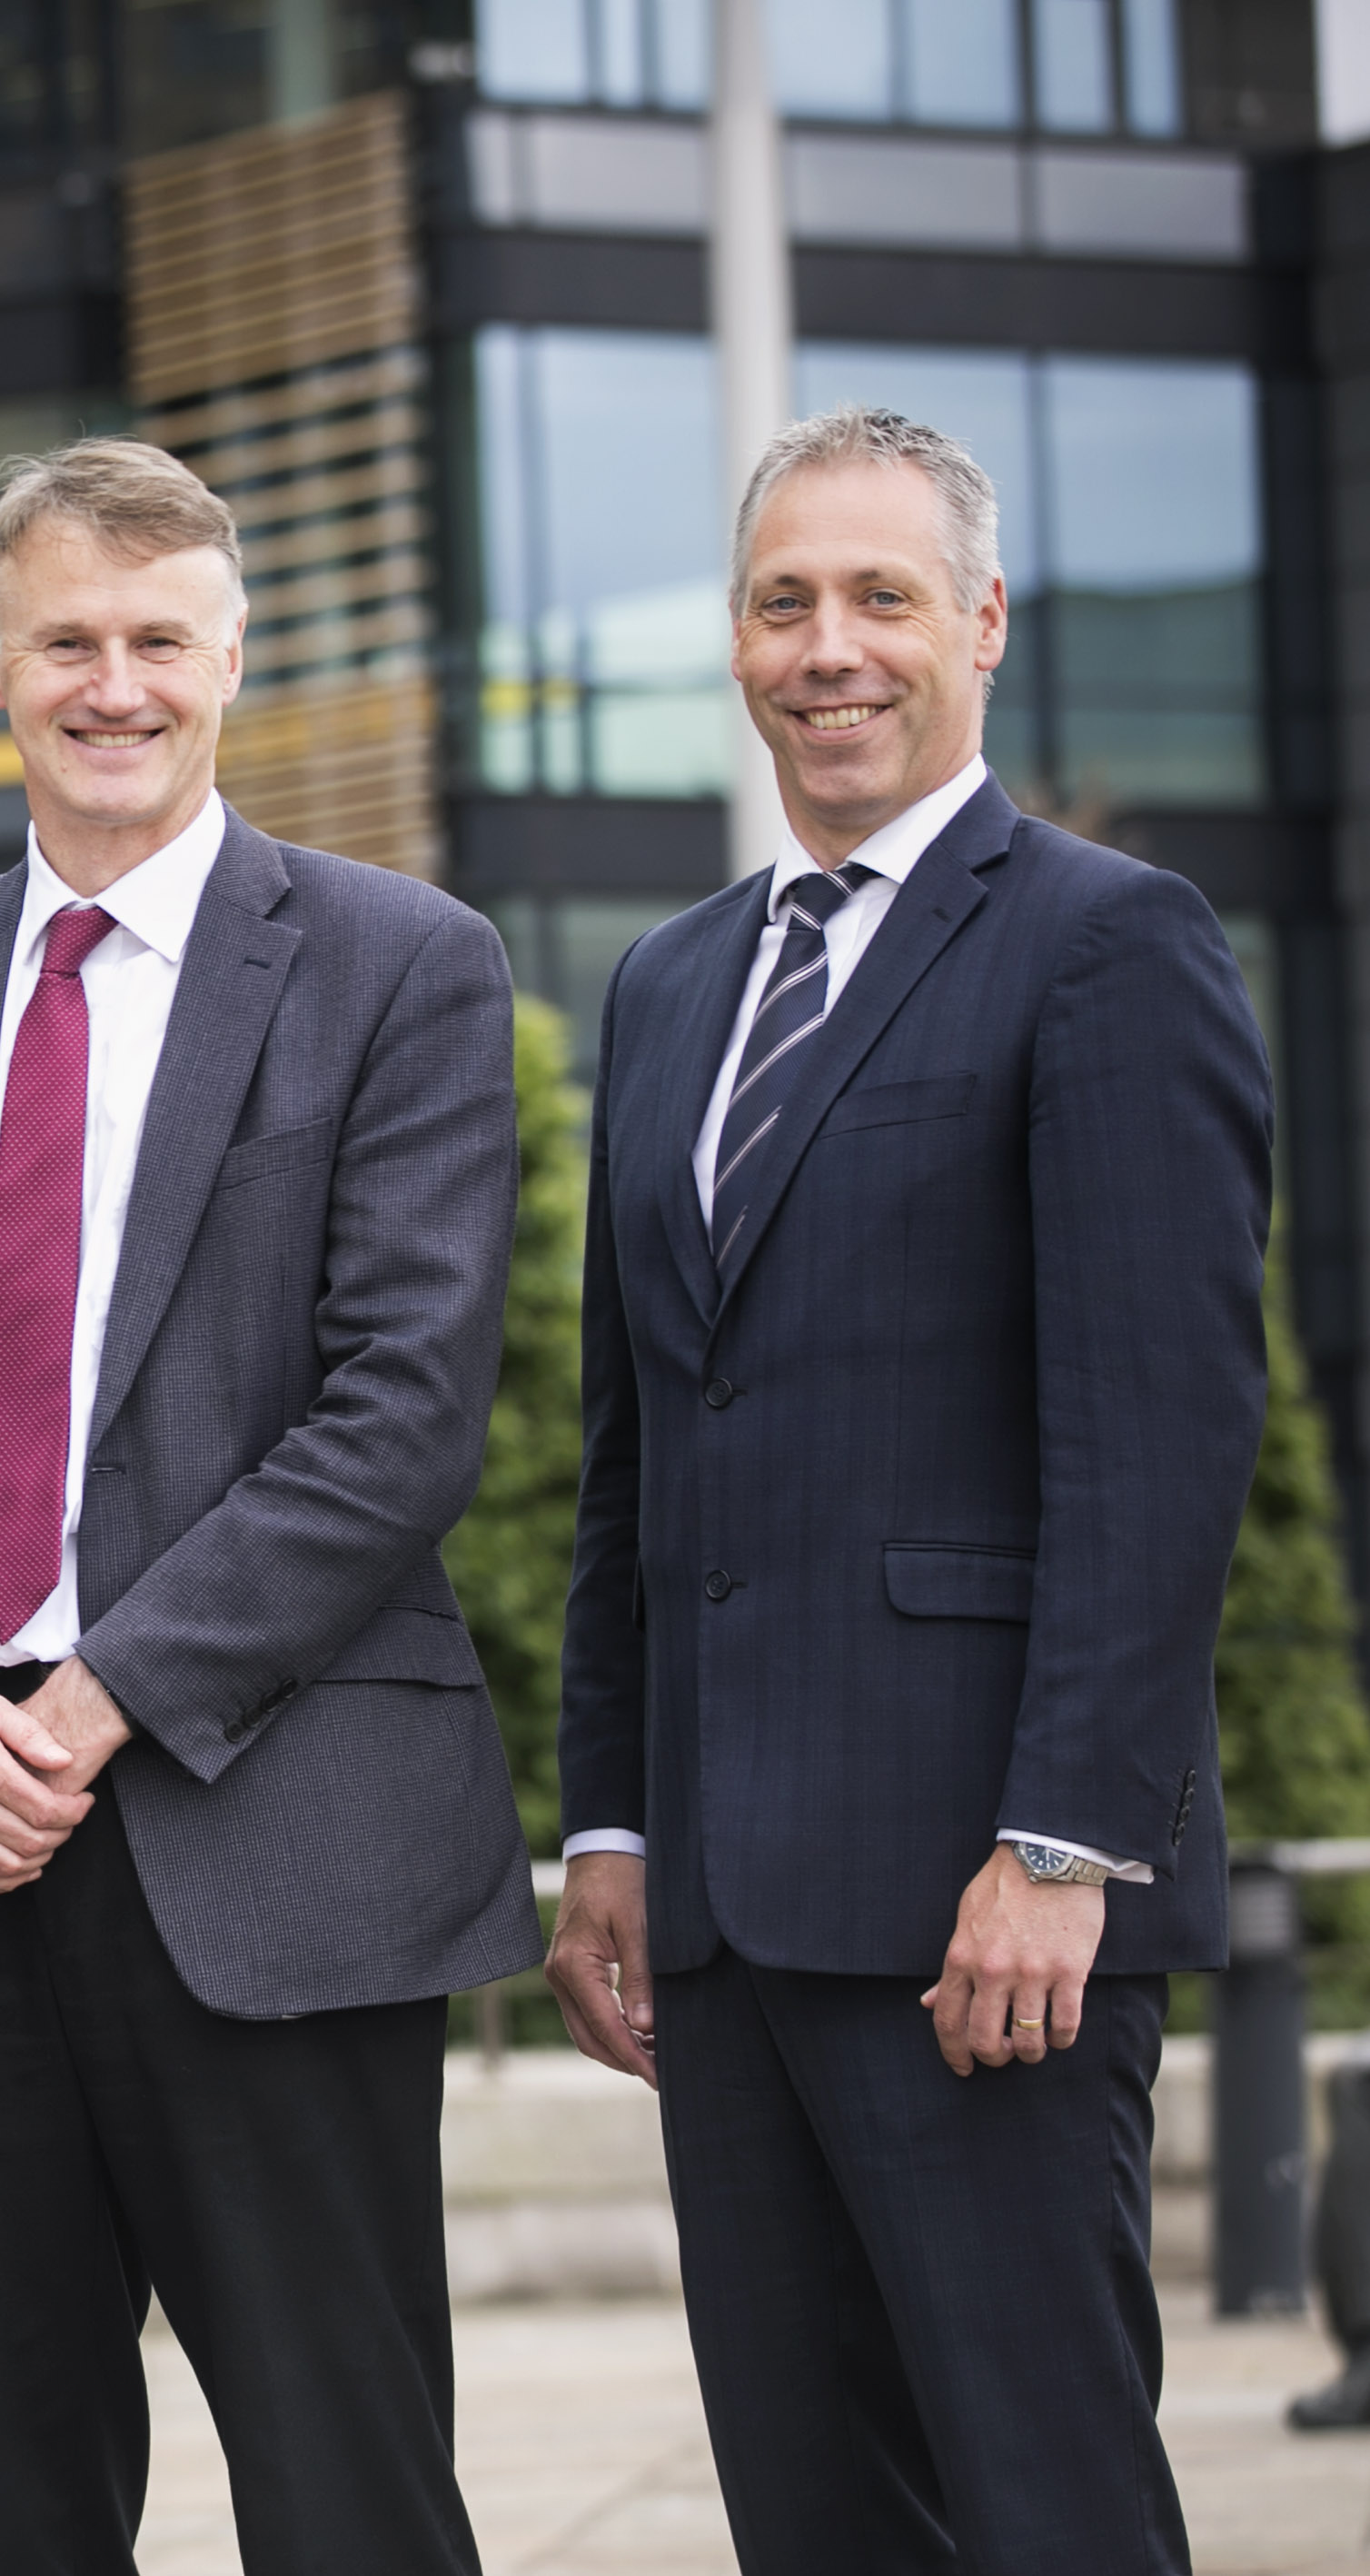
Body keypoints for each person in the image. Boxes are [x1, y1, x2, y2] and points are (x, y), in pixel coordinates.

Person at [0, 440, 541, 2575]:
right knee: (1, 2501)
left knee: (344, 2483)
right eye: (68, 639)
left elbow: (397, 1413)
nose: (113, 683)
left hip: (259, 1830)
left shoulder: (396, 964)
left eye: (157, 640)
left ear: (228, 662)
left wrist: (87, 1704)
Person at [546, 406, 1267, 2571]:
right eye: (781, 602)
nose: (825, 646)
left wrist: (1061, 1838)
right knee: (816, 2520)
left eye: (876, 597)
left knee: (1041, 2505)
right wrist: (608, 1827)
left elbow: (1157, 1439)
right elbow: (630, 1454)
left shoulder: (1104, 940)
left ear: (977, 624)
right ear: (737, 646)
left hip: (990, 1914)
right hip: (729, 1927)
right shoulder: (670, 982)